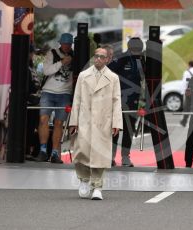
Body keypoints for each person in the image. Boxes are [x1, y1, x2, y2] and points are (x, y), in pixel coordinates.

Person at [69, 48, 123, 200]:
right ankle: (84, 180)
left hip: (103, 121)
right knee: (81, 152)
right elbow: (77, 99)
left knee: (100, 155)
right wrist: (74, 121)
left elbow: (116, 101)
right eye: (96, 56)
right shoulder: (83, 75)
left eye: (102, 57)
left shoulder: (113, 78)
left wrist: (116, 123)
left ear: (107, 59)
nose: (98, 59)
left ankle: (97, 187)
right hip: (85, 119)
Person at [36, 33, 74, 163]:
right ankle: (42, 150)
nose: (67, 46)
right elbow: (46, 71)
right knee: (43, 120)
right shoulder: (52, 54)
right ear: (60, 43)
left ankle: (55, 153)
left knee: (59, 123)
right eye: (65, 44)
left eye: (69, 44)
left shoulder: (75, 56)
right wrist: (61, 63)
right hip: (48, 91)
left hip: (65, 93)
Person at [109, 37, 145, 167]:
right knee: (115, 128)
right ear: (130, 47)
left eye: (139, 47)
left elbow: (145, 77)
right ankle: (110, 157)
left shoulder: (142, 59)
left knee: (129, 129)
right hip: (118, 99)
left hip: (134, 100)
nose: (138, 49)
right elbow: (108, 71)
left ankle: (125, 157)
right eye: (136, 47)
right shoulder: (122, 58)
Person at [180, 60, 193, 127]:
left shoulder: (187, 72)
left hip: (189, 91)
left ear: (189, 65)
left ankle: (184, 121)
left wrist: (183, 91)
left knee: (187, 107)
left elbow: (185, 82)